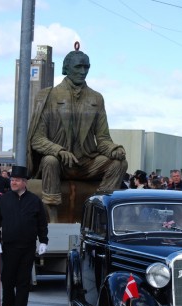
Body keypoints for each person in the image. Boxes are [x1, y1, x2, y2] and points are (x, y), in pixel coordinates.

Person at [27, 48, 128, 219]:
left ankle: (98, 209)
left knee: (119, 164)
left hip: (86, 162)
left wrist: (113, 149)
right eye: (78, 67)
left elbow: (102, 138)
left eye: (86, 67)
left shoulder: (96, 98)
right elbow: (37, 138)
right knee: (50, 161)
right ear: (66, 68)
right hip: (59, 163)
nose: (83, 72)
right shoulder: (48, 96)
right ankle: (52, 216)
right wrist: (58, 150)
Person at [0, 166, 49, 306]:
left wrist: (43, 241)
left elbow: (42, 224)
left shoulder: (35, 201)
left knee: (23, 281)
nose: (13, 182)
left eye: (16, 180)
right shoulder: (3, 200)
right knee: (7, 280)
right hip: (8, 247)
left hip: (27, 247)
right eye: (12, 180)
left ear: (24, 182)